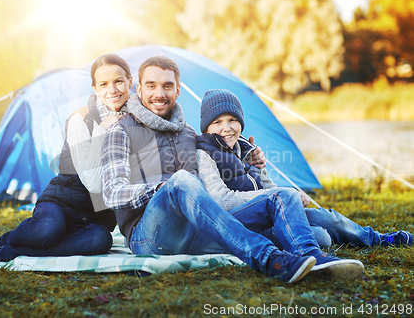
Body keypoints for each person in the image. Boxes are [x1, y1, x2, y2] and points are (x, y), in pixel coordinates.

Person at [101, 56, 364, 283]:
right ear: (139, 88)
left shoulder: (188, 133)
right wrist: (164, 189)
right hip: (149, 237)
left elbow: (219, 149)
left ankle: (312, 256)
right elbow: (112, 193)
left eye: (167, 86)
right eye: (151, 86)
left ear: (178, 90)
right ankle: (269, 259)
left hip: (196, 229)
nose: (160, 93)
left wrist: (249, 157)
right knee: (181, 181)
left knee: (283, 197)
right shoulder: (120, 131)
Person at [0, 53, 133, 262]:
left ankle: (8, 252)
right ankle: (2, 242)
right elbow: (94, 184)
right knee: (47, 229)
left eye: (118, 81)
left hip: (96, 218)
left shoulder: (137, 122)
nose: (112, 90)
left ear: (130, 81)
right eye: (103, 84)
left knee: (100, 241)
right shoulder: (79, 120)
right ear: (95, 89)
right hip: (62, 204)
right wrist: (103, 130)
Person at [197, 89, 413, 250]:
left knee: (328, 218)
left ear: (241, 123)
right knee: (322, 238)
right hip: (244, 223)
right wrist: (278, 196)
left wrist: (289, 195)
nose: (226, 127)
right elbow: (221, 200)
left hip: (273, 210)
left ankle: (377, 238)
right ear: (207, 127)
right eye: (217, 122)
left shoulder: (247, 150)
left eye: (232, 119)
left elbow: (268, 185)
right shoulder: (204, 154)